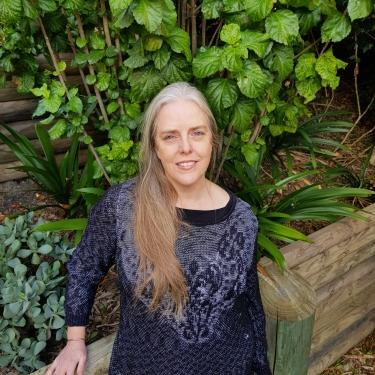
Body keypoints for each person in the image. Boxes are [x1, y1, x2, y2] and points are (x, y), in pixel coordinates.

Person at [46, 82, 272, 375]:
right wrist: (75, 340)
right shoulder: (123, 206)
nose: (186, 147)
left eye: (197, 133)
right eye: (170, 137)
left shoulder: (242, 217)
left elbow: (250, 303)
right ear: (155, 146)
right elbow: (85, 265)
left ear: (212, 140)